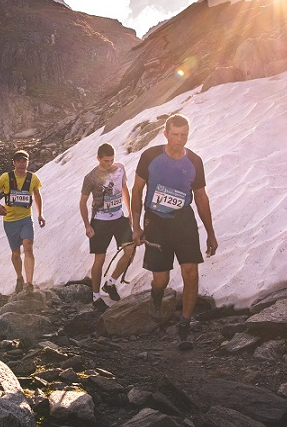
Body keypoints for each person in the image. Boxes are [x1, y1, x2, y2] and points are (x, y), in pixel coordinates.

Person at [130, 113, 218, 350]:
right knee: (161, 278)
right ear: (165, 134)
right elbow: (136, 190)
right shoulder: (150, 156)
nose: (179, 140)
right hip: (156, 222)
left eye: (184, 135)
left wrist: (210, 232)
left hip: (184, 221)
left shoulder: (195, 161)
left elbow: (200, 197)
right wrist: (136, 225)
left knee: (190, 273)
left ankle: (184, 327)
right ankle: (156, 297)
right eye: (175, 135)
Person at [79, 142, 134, 306]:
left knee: (129, 250)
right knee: (100, 258)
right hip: (100, 221)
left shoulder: (120, 168)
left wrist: (130, 211)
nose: (109, 164)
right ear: (98, 159)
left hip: (119, 217)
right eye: (105, 161)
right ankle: (96, 296)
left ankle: (110, 283)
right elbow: (82, 203)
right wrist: (87, 226)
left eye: (111, 160)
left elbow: (124, 188)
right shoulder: (90, 178)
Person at [0, 149, 45, 293]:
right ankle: (19, 277)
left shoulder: (33, 178)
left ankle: (29, 283)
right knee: (16, 253)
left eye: (24, 161)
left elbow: (38, 196)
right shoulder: (5, 177)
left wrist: (40, 214)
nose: (22, 164)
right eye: (19, 161)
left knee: (28, 247)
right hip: (10, 220)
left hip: (26, 218)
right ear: (14, 163)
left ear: (28, 162)